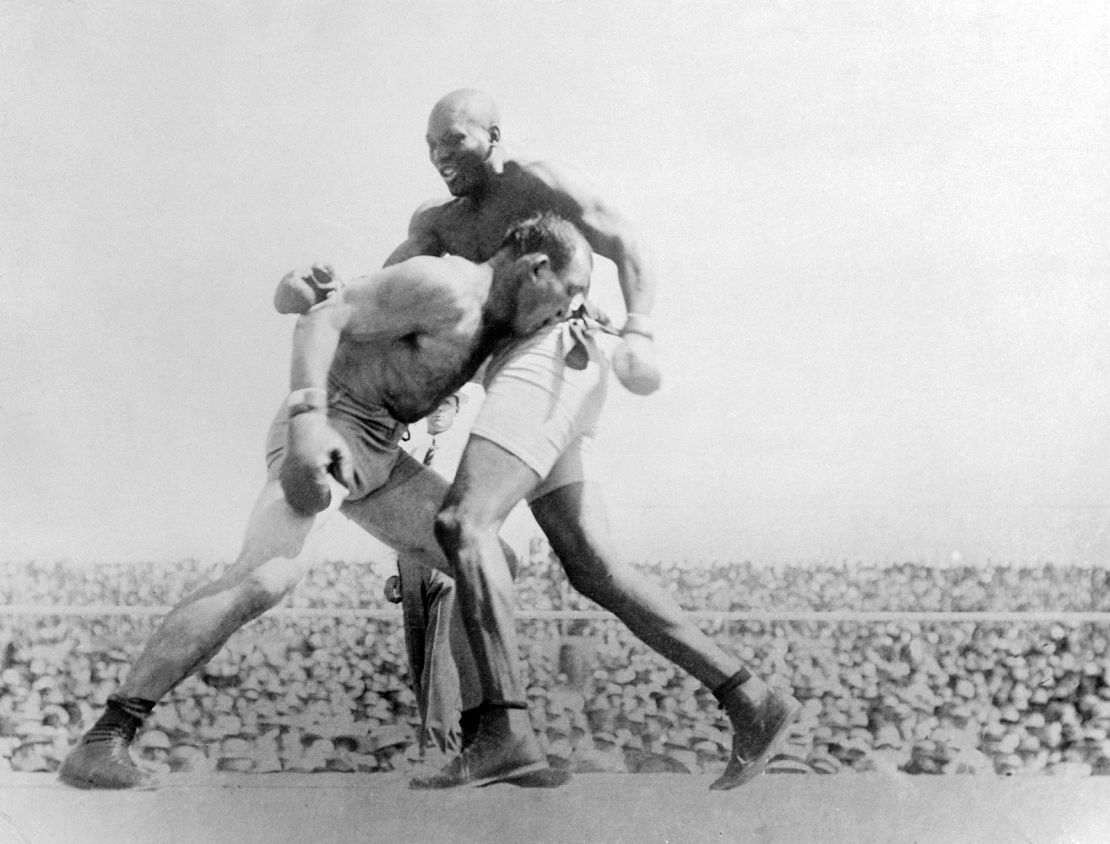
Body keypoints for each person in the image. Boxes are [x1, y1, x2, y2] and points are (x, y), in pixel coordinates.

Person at [57, 212, 591, 790]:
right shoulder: (445, 285)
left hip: (380, 455)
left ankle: (484, 741)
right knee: (266, 577)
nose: (567, 311)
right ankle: (105, 737)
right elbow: (322, 316)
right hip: (329, 429)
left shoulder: (496, 321)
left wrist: (590, 329)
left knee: (488, 563)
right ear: (537, 267)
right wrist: (307, 419)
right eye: (572, 292)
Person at [386, 89, 802, 790]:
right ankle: (749, 697)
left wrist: (640, 330)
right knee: (593, 567)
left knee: (465, 523)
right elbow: (390, 291)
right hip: (521, 381)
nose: (440, 156)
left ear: (493, 135)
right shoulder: (438, 225)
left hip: (557, 357)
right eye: (430, 146)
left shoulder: (538, 182)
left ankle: (503, 730)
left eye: (453, 140)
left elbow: (627, 241)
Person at [384, 393, 485, 757]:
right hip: (411, 560)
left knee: (441, 657)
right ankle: (434, 747)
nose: (438, 411)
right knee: (419, 658)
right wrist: (392, 567)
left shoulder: (462, 452)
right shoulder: (409, 453)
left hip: (447, 557)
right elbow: (392, 514)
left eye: (447, 406)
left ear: (457, 411)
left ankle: (443, 749)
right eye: (434, 405)